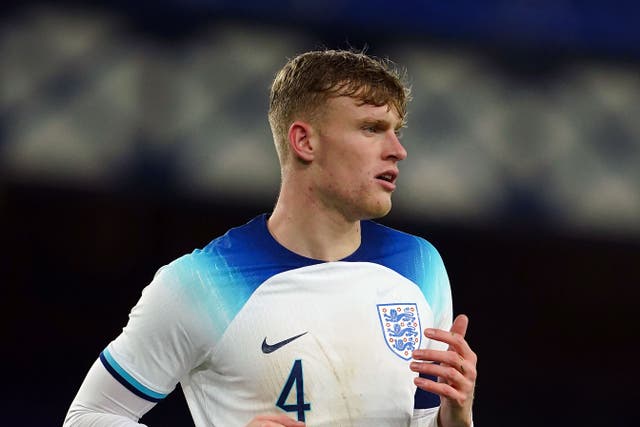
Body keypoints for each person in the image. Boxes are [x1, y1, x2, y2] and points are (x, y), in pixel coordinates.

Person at [64, 48, 477, 427]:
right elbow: (87, 417)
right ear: (304, 141)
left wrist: (456, 418)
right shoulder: (200, 284)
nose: (397, 150)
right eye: (372, 128)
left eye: (396, 131)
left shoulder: (422, 266)